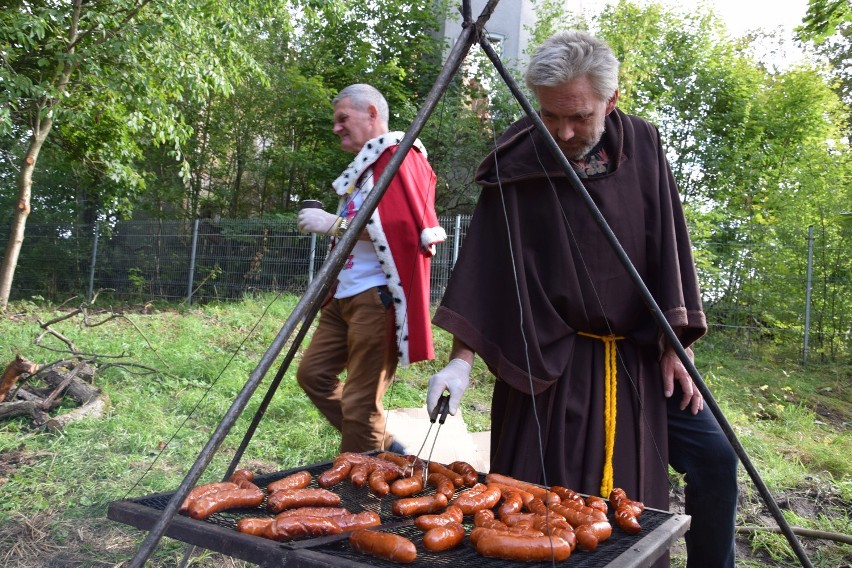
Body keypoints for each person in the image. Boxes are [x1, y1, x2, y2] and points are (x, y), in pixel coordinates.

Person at [426, 31, 738, 567]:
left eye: (579, 117)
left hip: (638, 355)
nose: (564, 132)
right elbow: (488, 265)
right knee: (545, 502)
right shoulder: (518, 160)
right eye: (550, 116)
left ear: (611, 101)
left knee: (716, 456)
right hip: (548, 358)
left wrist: (674, 342)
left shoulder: (643, 145)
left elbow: (668, 243)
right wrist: (460, 361)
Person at [297, 83, 446, 454]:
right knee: (313, 375)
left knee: (361, 405)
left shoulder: (401, 158)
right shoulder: (368, 167)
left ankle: (358, 496)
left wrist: (334, 224)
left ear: (372, 113)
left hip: (376, 297)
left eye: (343, 118)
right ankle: (385, 450)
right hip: (342, 296)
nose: (336, 128)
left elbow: (405, 230)